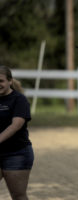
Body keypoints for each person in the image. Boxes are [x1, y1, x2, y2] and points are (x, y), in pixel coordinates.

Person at [0, 66, 33, 200]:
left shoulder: (19, 100)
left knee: (18, 195)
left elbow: (16, 125)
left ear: (10, 81)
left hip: (16, 154)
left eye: (0, 81)